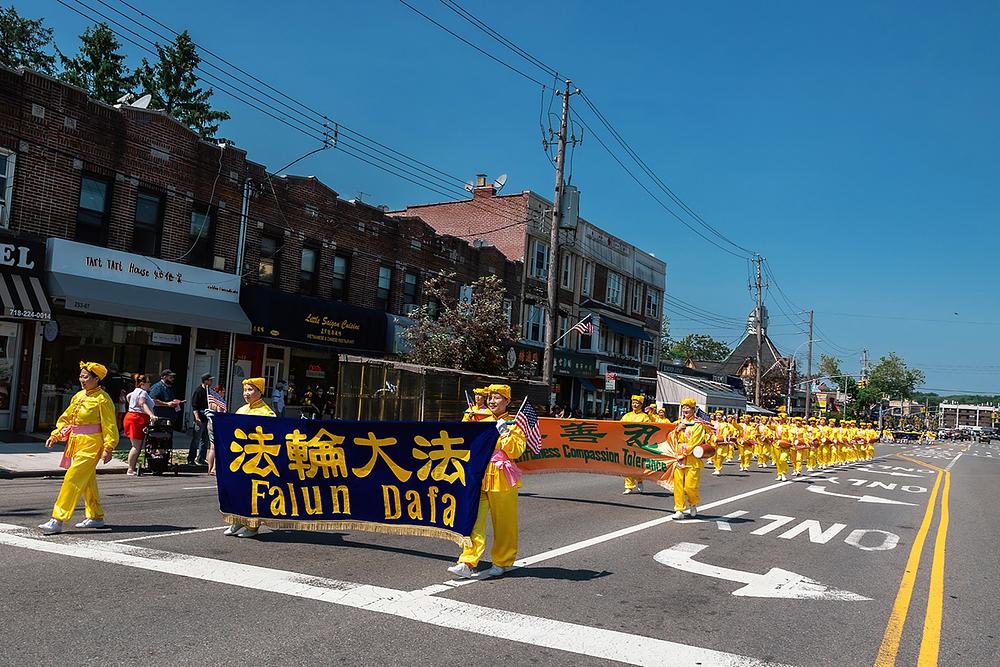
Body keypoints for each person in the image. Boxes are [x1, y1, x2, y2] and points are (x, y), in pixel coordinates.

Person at [448, 384, 525, 579]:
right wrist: (468, 418)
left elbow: (516, 451)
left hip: (502, 478)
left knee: (504, 523)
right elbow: (463, 437)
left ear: (507, 401)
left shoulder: (514, 424)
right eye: (490, 397)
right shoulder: (480, 419)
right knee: (473, 519)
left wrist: (505, 434)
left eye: (497, 397)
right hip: (479, 475)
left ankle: (502, 561)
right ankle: (467, 561)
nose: (492, 401)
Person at [38, 362, 119, 535]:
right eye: (81, 376)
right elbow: (67, 418)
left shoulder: (103, 399)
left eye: (86, 377)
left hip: (92, 444)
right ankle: (96, 517)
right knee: (87, 481)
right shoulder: (78, 396)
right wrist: (55, 435)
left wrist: (108, 447)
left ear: (96, 379)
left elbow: (110, 425)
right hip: (76, 443)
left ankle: (57, 519)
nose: (82, 380)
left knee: (72, 478)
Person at [224, 378, 276, 538]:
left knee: (253, 493)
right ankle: (237, 520)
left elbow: (273, 434)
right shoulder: (242, 409)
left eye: (250, 390)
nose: (246, 393)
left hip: (257, 460)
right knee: (237, 490)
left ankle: (252, 527)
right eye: (245, 390)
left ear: (260, 392)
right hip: (240, 458)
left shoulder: (266, 413)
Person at [671, 398, 708, 519]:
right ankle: (679, 509)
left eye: (688, 408)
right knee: (678, 485)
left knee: (690, 486)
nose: (685, 410)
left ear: (693, 409)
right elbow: (670, 437)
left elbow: (696, 440)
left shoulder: (698, 425)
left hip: (691, 458)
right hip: (678, 457)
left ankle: (693, 503)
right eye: (683, 408)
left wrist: (685, 452)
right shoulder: (677, 423)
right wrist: (677, 430)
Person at [123, 373, 157, 475]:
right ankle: (130, 469)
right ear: (142, 384)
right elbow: (142, 403)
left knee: (136, 445)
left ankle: (132, 467)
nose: (150, 384)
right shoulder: (143, 392)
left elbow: (128, 397)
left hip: (131, 417)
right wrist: (151, 415)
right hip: (137, 419)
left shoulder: (134, 392)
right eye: (148, 382)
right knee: (136, 446)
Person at [621, 395, 652, 494]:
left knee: (638, 464)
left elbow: (648, 430)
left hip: (639, 444)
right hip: (627, 444)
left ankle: (639, 481)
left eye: (637, 403)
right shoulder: (626, 416)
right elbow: (619, 427)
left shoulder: (644, 417)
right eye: (633, 402)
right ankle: (629, 486)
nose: (634, 405)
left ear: (641, 405)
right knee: (627, 464)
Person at [188, 372, 213, 466]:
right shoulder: (198, 391)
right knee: (196, 439)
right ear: (205, 381)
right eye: (210, 380)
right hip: (200, 419)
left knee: (205, 439)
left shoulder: (209, 391)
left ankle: (201, 458)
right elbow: (194, 406)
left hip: (207, 419)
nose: (211, 381)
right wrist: (197, 418)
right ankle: (191, 459)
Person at [205, 384, 227, 476]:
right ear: (220, 392)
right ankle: (214, 468)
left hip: (210, 423)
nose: (224, 394)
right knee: (218, 447)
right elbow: (220, 414)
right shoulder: (219, 402)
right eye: (223, 392)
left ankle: (209, 469)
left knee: (212, 447)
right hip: (217, 424)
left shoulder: (211, 402)